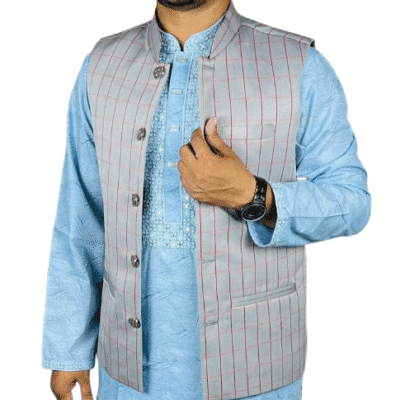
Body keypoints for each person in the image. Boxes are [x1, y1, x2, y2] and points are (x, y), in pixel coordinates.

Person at [41, 0, 371, 399]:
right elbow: (81, 216)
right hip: (127, 370)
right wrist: (69, 348)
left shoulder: (296, 64)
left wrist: (253, 195)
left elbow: (351, 201)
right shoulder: (103, 66)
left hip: (256, 368)